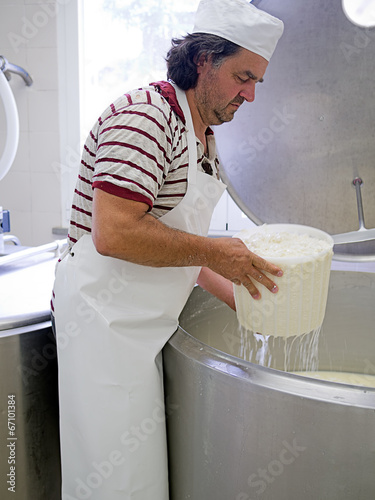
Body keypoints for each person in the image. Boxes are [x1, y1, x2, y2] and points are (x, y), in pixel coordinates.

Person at [52, 0, 284, 498]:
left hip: (139, 331)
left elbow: (181, 249)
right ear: (204, 61)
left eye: (258, 82)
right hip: (101, 326)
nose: (250, 94)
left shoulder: (202, 136)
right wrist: (219, 252)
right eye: (244, 76)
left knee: (141, 480)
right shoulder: (147, 117)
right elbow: (114, 233)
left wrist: (255, 305)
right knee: (114, 484)